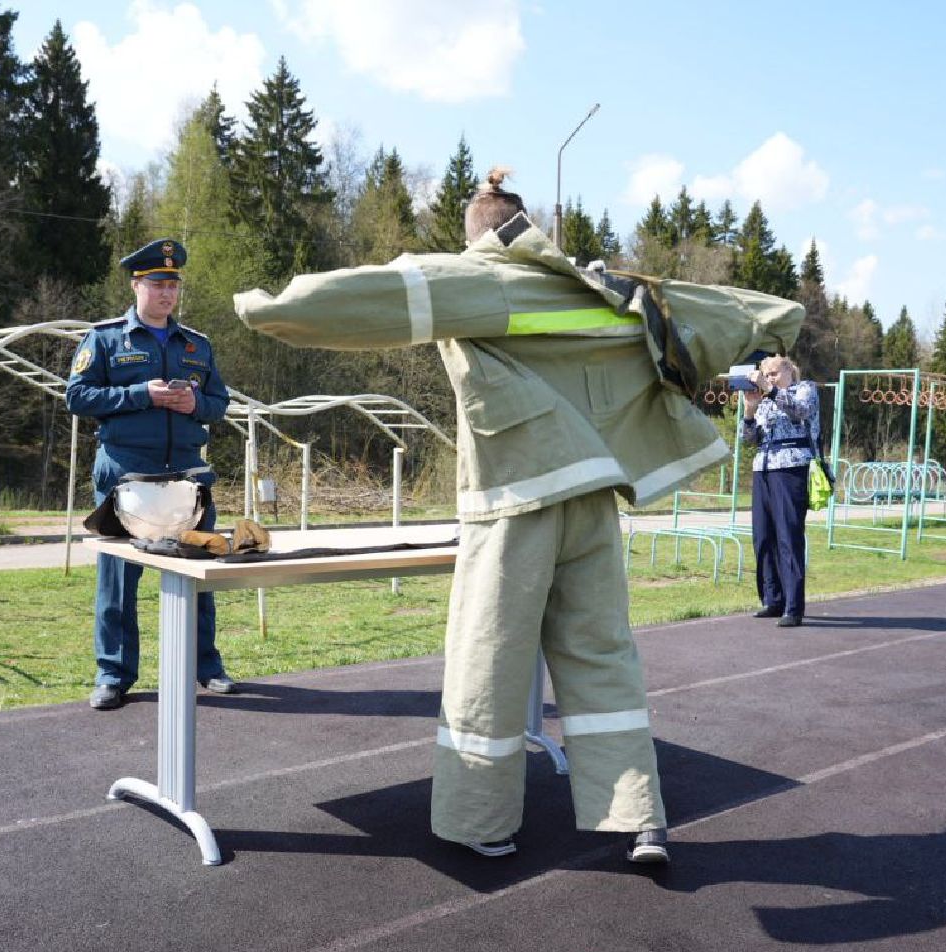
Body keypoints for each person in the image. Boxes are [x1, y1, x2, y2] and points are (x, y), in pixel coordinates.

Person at [233, 169, 802, 864]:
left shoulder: (479, 281)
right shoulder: (604, 290)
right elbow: (753, 311)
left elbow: (362, 298)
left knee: (490, 660)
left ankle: (482, 820)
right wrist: (770, 336)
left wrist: (259, 306)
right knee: (602, 658)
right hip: (593, 497)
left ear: (474, 238)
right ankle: (639, 815)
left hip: (513, 502)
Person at [66, 238, 238, 710]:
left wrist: (194, 403)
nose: (167, 293)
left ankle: (207, 667)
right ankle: (114, 675)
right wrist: (141, 394)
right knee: (119, 581)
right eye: (158, 284)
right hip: (127, 479)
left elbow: (220, 404)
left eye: (173, 285)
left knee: (198, 577)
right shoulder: (104, 340)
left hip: (189, 479)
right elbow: (77, 397)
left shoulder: (196, 346)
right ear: (137, 285)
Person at [739, 355, 820, 627]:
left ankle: (793, 606)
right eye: (766, 374)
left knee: (788, 537)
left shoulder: (804, 389)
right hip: (762, 468)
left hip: (790, 468)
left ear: (788, 369)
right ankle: (772, 599)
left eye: (774, 373)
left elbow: (799, 411)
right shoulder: (764, 400)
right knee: (762, 537)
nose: (769, 378)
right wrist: (750, 411)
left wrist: (770, 389)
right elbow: (749, 439)